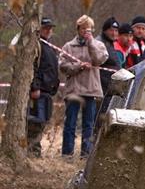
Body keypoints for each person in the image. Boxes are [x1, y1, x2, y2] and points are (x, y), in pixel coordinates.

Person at [59, 15, 108, 158]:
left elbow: (99, 60)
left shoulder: (98, 45)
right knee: (70, 123)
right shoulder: (68, 46)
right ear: (78, 29)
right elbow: (62, 66)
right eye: (83, 29)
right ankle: (67, 153)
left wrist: (91, 42)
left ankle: (86, 154)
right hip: (73, 89)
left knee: (89, 124)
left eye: (89, 29)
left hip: (91, 89)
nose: (86, 32)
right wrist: (78, 66)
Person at [27, 17, 59, 157]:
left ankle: (34, 150)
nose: (48, 30)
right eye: (45, 28)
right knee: (35, 122)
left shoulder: (49, 46)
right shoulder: (36, 45)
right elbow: (32, 67)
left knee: (43, 122)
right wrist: (34, 87)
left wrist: (54, 86)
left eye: (50, 28)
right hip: (38, 92)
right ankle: (33, 152)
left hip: (47, 92)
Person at [96, 17, 121, 95]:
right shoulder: (98, 43)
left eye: (116, 31)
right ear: (105, 30)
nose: (114, 33)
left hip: (110, 85)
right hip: (101, 87)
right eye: (111, 30)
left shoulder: (110, 43)